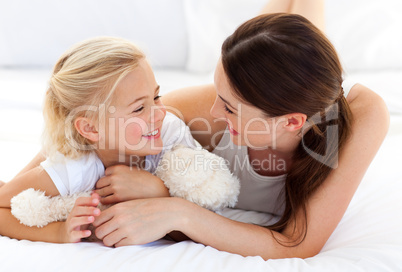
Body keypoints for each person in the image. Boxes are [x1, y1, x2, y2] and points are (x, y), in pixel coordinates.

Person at [91, 3, 388, 259]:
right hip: (286, 95)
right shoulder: (211, 104)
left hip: (309, 105)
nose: (213, 113)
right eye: (219, 94)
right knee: (280, 43)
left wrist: (177, 211)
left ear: (292, 123)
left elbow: (297, 244)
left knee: (306, 46)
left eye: (230, 108)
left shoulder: (365, 114)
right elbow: (88, 132)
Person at [0, 36, 195, 243]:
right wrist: (58, 232)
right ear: (90, 128)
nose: (160, 114)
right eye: (139, 108)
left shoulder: (171, 134)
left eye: (156, 97)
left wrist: (158, 191)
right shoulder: (74, 166)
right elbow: (3, 204)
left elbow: (200, 219)